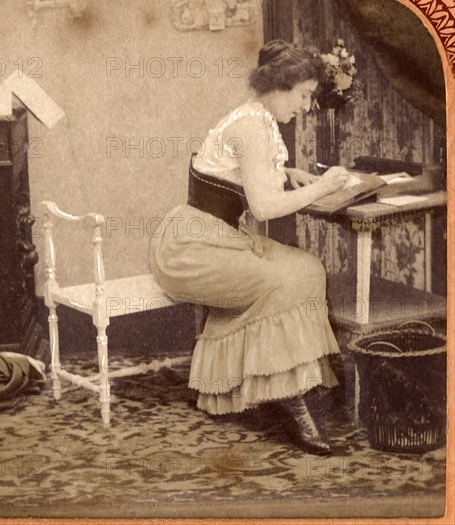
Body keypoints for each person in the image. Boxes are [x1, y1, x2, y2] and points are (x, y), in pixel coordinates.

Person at [149, 40, 351, 455]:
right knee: (285, 281)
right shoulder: (252, 127)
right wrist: (326, 187)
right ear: (280, 84)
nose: (307, 106)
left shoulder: (255, 117)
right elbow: (264, 208)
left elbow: (242, 175)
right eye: (304, 95)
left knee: (308, 268)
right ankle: (289, 401)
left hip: (211, 235)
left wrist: (287, 172)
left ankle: (266, 384)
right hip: (190, 249)